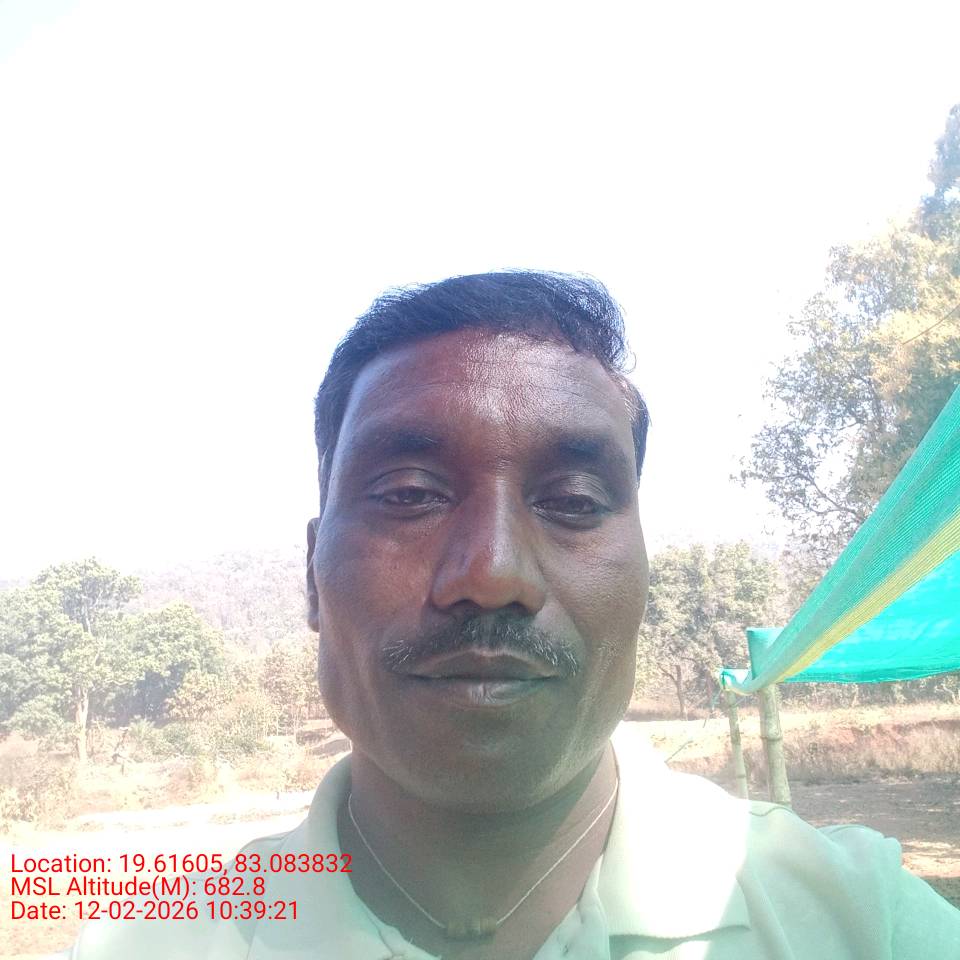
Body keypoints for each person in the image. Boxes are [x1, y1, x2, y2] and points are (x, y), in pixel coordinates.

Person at [64, 271, 960, 959]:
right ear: (310, 574)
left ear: (642, 572)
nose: (492, 575)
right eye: (409, 494)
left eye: (572, 501)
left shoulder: (860, 922)